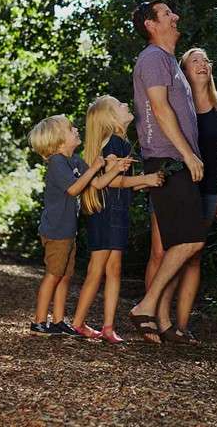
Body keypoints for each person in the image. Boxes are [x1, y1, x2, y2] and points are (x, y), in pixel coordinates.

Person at [145, 47, 217, 344]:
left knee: (193, 256)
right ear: (184, 71)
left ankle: (181, 327)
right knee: (161, 252)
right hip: (174, 185)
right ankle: (153, 321)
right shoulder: (177, 104)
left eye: (206, 60)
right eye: (194, 60)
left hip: (209, 190)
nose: (202, 64)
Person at [125, 0, 206, 343]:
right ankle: (145, 306)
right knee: (191, 239)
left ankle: (160, 320)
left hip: (171, 159)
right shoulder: (153, 58)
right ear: (151, 24)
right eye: (167, 14)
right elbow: (159, 109)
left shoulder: (168, 61)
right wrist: (188, 155)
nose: (176, 16)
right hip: (168, 160)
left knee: (173, 244)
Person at [68, 96, 163, 343]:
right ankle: (77, 322)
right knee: (97, 269)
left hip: (117, 212)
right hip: (106, 213)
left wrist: (145, 182)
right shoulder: (113, 143)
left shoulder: (122, 143)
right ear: (111, 118)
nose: (126, 106)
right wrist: (146, 179)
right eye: (120, 105)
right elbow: (113, 181)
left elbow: (125, 184)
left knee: (114, 269)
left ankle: (108, 327)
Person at [26, 114, 132, 335]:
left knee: (65, 276)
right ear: (58, 141)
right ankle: (39, 321)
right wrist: (94, 167)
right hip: (55, 231)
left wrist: (116, 169)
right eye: (71, 128)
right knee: (53, 275)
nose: (76, 130)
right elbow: (74, 189)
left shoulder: (75, 161)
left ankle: (58, 320)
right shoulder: (57, 162)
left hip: (67, 232)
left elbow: (97, 183)